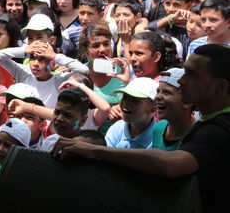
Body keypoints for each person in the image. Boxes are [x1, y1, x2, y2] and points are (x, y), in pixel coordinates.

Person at [52, 44, 230, 213]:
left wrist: (94, 151)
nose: (182, 80)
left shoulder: (219, 130)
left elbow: (170, 164)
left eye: (192, 75)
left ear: (220, 87)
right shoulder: (204, 123)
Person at [104, 77, 158, 149]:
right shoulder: (117, 128)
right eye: (125, 97)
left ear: (153, 110)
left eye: (134, 100)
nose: (125, 103)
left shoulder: (158, 139)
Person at [152, 68, 196, 151]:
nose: (157, 97)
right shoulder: (159, 128)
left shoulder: (198, 135)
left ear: (187, 102)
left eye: (166, 92)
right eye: (158, 91)